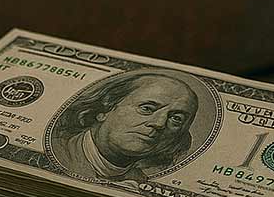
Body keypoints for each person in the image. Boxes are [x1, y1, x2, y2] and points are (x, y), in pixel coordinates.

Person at [50, 72, 198, 182]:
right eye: (147, 108)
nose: (159, 123)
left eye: (176, 119)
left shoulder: (140, 183)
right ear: (105, 109)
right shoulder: (58, 152)